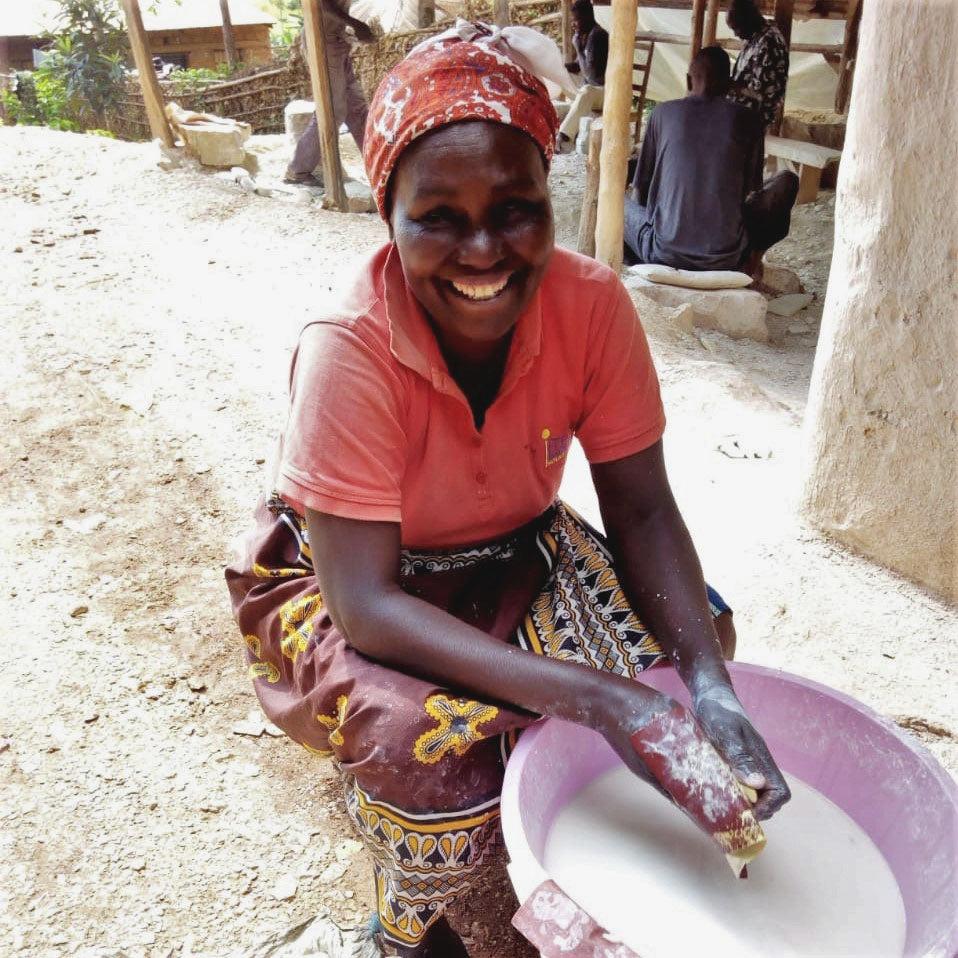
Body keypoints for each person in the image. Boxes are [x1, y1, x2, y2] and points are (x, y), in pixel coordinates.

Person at [228, 23, 789, 958]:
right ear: (388, 216)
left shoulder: (592, 305)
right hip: (351, 575)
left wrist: (705, 684)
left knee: (695, 645)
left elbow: (643, 507)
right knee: (420, 748)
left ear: (549, 197)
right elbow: (366, 606)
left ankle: (564, 829)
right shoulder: (349, 345)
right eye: (438, 216)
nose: (484, 250)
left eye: (516, 208)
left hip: (516, 545)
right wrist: (601, 700)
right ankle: (407, 925)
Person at [625, 46, 798, 273]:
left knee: (616, 202)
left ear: (689, 80)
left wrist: (666, 222)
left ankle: (636, 266)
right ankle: (752, 262)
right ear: (729, 85)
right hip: (727, 257)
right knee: (787, 180)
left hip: (663, 252)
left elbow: (642, 187)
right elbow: (750, 192)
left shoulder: (662, 113)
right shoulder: (750, 120)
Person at [285, 0, 375, 185]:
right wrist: (356, 24)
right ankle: (298, 171)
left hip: (337, 39)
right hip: (321, 41)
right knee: (331, 110)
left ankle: (377, 165)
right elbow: (321, 4)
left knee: (357, 109)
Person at [726, 0, 790, 131]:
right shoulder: (755, 37)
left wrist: (731, 86)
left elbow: (764, 95)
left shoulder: (769, 42)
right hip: (741, 118)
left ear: (748, 20)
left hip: (751, 122)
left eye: (736, 28)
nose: (735, 34)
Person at [556, 0, 608, 153]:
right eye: (572, 20)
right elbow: (577, 66)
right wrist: (558, 68)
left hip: (606, 91)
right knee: (561, 74)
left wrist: (578, 48)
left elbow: (592, 75)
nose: (573, 24)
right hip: (591, 88)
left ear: (587, 17)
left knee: (586, 91)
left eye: (576, 20)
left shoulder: (598, 36)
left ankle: (563, 136)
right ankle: (569, 113)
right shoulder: (584, 35)